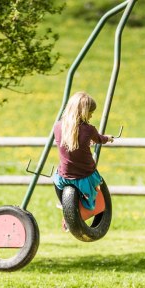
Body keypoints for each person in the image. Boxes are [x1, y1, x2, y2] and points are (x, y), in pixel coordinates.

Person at [51, 91, 115, 228]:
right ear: (84, 112)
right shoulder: (89, 129)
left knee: (54, 178)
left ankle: (64, 204)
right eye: (90, 112)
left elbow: (72, 143)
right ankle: (82, 211)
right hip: (86, 176)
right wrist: (108, 138)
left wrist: (85, 143)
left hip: (64, 177)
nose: (91, 115)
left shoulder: (57, 127)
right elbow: (99, 139)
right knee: (92, 199)